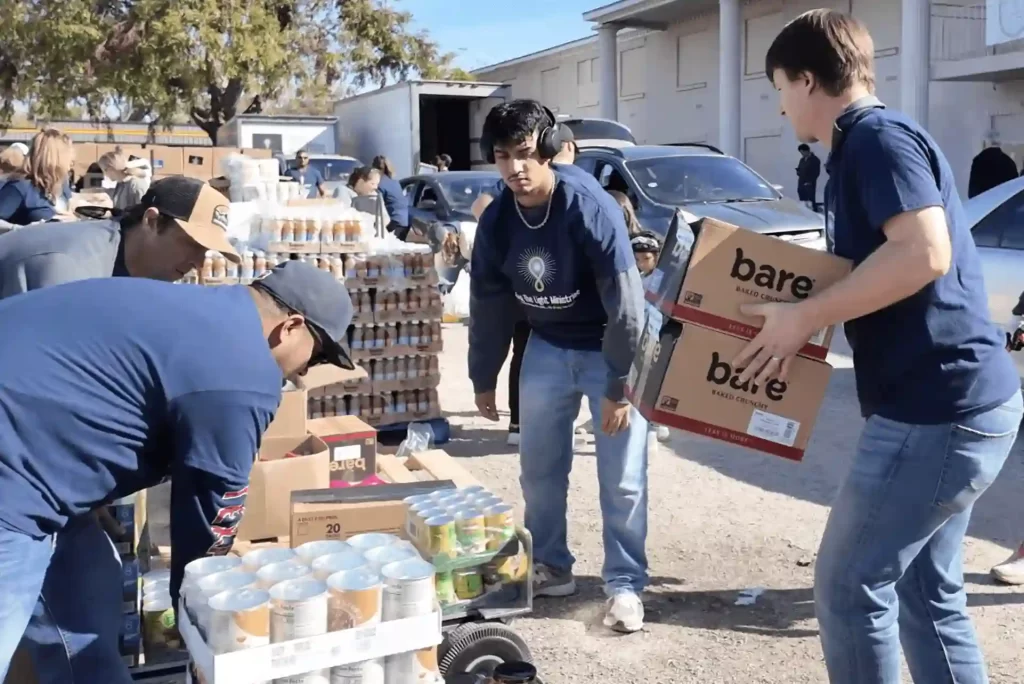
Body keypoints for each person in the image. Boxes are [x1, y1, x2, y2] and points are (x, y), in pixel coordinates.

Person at [745, 11, 1021, 683]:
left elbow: (925, 252)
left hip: (936, 412)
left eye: (779, 86)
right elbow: (878, 274)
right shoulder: (855, 150)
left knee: (848, 587)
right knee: (926, 595)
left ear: (808, 80)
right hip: (951, 405)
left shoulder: (875, 140)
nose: (779, 104)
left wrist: (804, 315)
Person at [0, 259, 353, 682]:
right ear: (290, 326)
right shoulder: (243, 371)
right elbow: (211, 509)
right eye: (313, 357)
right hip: (14, 484)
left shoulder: (199, 310)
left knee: (86, 599)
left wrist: (84, 485)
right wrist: (201, 615)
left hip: (32, 458)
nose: (302, 375)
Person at [0, 176, 242, 683]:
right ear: (151, 221)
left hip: (29, 459)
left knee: (89, 585)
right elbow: (58, 409)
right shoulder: (67, 269)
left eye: (208, 251)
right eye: (192, 245)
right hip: (15, 462)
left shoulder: (137, 276)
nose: (198, 262)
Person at [468, 99, 648, 632]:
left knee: (623, 478)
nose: (514, 170)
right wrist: (484, 375)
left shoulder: (588, 206)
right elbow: (489, 302)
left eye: (524, 154)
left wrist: (620, 384)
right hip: (547, 345)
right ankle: (551, 565)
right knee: (539, 471)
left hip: (609, 343)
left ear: (548, 148)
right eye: (502, 157)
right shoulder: (499, 218)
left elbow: (627, 306)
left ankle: (625, 584)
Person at [0, 129, 74, 225]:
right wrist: (23, 229)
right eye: (68, 155)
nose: (72, 160)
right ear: (54, 158)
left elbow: (68, 210)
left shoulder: (61, 184)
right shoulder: (20, 186)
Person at [370, 155, 411, 239]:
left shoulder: (379, 184)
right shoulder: (394, 182)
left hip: (394, 222)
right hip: (404, 221)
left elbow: (376, 205)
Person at [796, 143, 820, 208]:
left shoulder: (814, 159)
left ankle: (813, 212)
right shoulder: (802, 160)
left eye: (802, 152)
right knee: (802, 200)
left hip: (809, 184)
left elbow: (816, 172)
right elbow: (800, 168)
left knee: (810, 200)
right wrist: (798, 171)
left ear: (806, 151)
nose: (802, 154)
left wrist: (809, 181)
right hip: (801, 183)